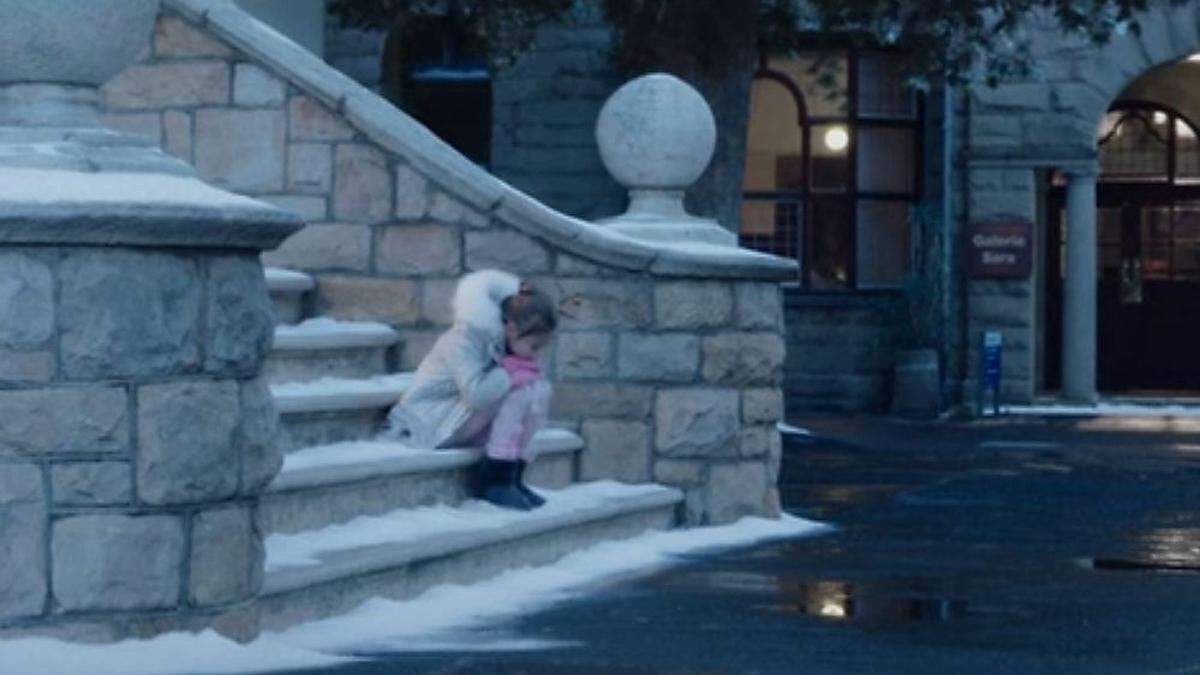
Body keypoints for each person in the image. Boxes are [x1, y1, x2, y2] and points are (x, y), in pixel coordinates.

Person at [383, 269, 557, 510]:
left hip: (457, 420)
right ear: (511, 329)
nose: (537, 354)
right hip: (425, 423)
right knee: (520, 391)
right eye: (535, 346)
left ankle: (514, 474)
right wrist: (508, 372)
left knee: (537, 389)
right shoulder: (462, 340)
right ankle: (496, 477)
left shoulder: (503, 342)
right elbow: (476, 396)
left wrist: (517, 373)